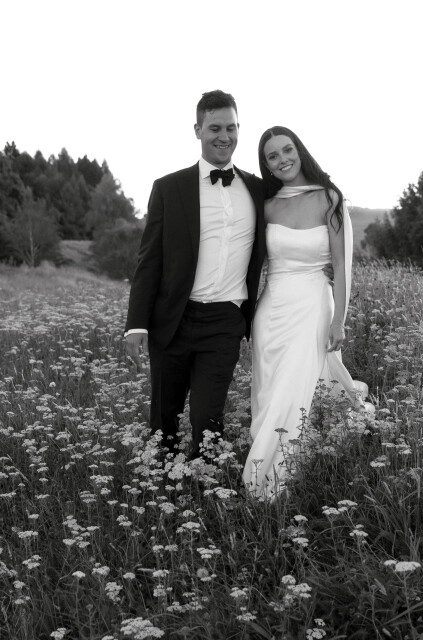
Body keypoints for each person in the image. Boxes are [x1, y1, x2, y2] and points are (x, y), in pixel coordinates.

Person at [125, 90, 266, 460]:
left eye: (231, 128)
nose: (224, 136)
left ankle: (206, 489)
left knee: (208, 420)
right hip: (172, 318)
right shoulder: (168, 188)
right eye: (215, 128)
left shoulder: (258, 189)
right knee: (164, 420)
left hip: (224, 322)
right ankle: (162, 485)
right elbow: (149, 260)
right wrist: (136, 324)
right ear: (198, 130)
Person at [242, 126, 372, 500]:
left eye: (287, 150)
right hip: (271, 310)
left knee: (293, 389)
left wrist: (338, 320)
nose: (282, 159)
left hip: (313, 304)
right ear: (266, 165)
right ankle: (272, 462)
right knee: (271, 392)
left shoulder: (329, 198)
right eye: (272, 156)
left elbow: (342, 265)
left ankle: (272, 483)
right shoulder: (266, 205)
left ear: (299, 151)